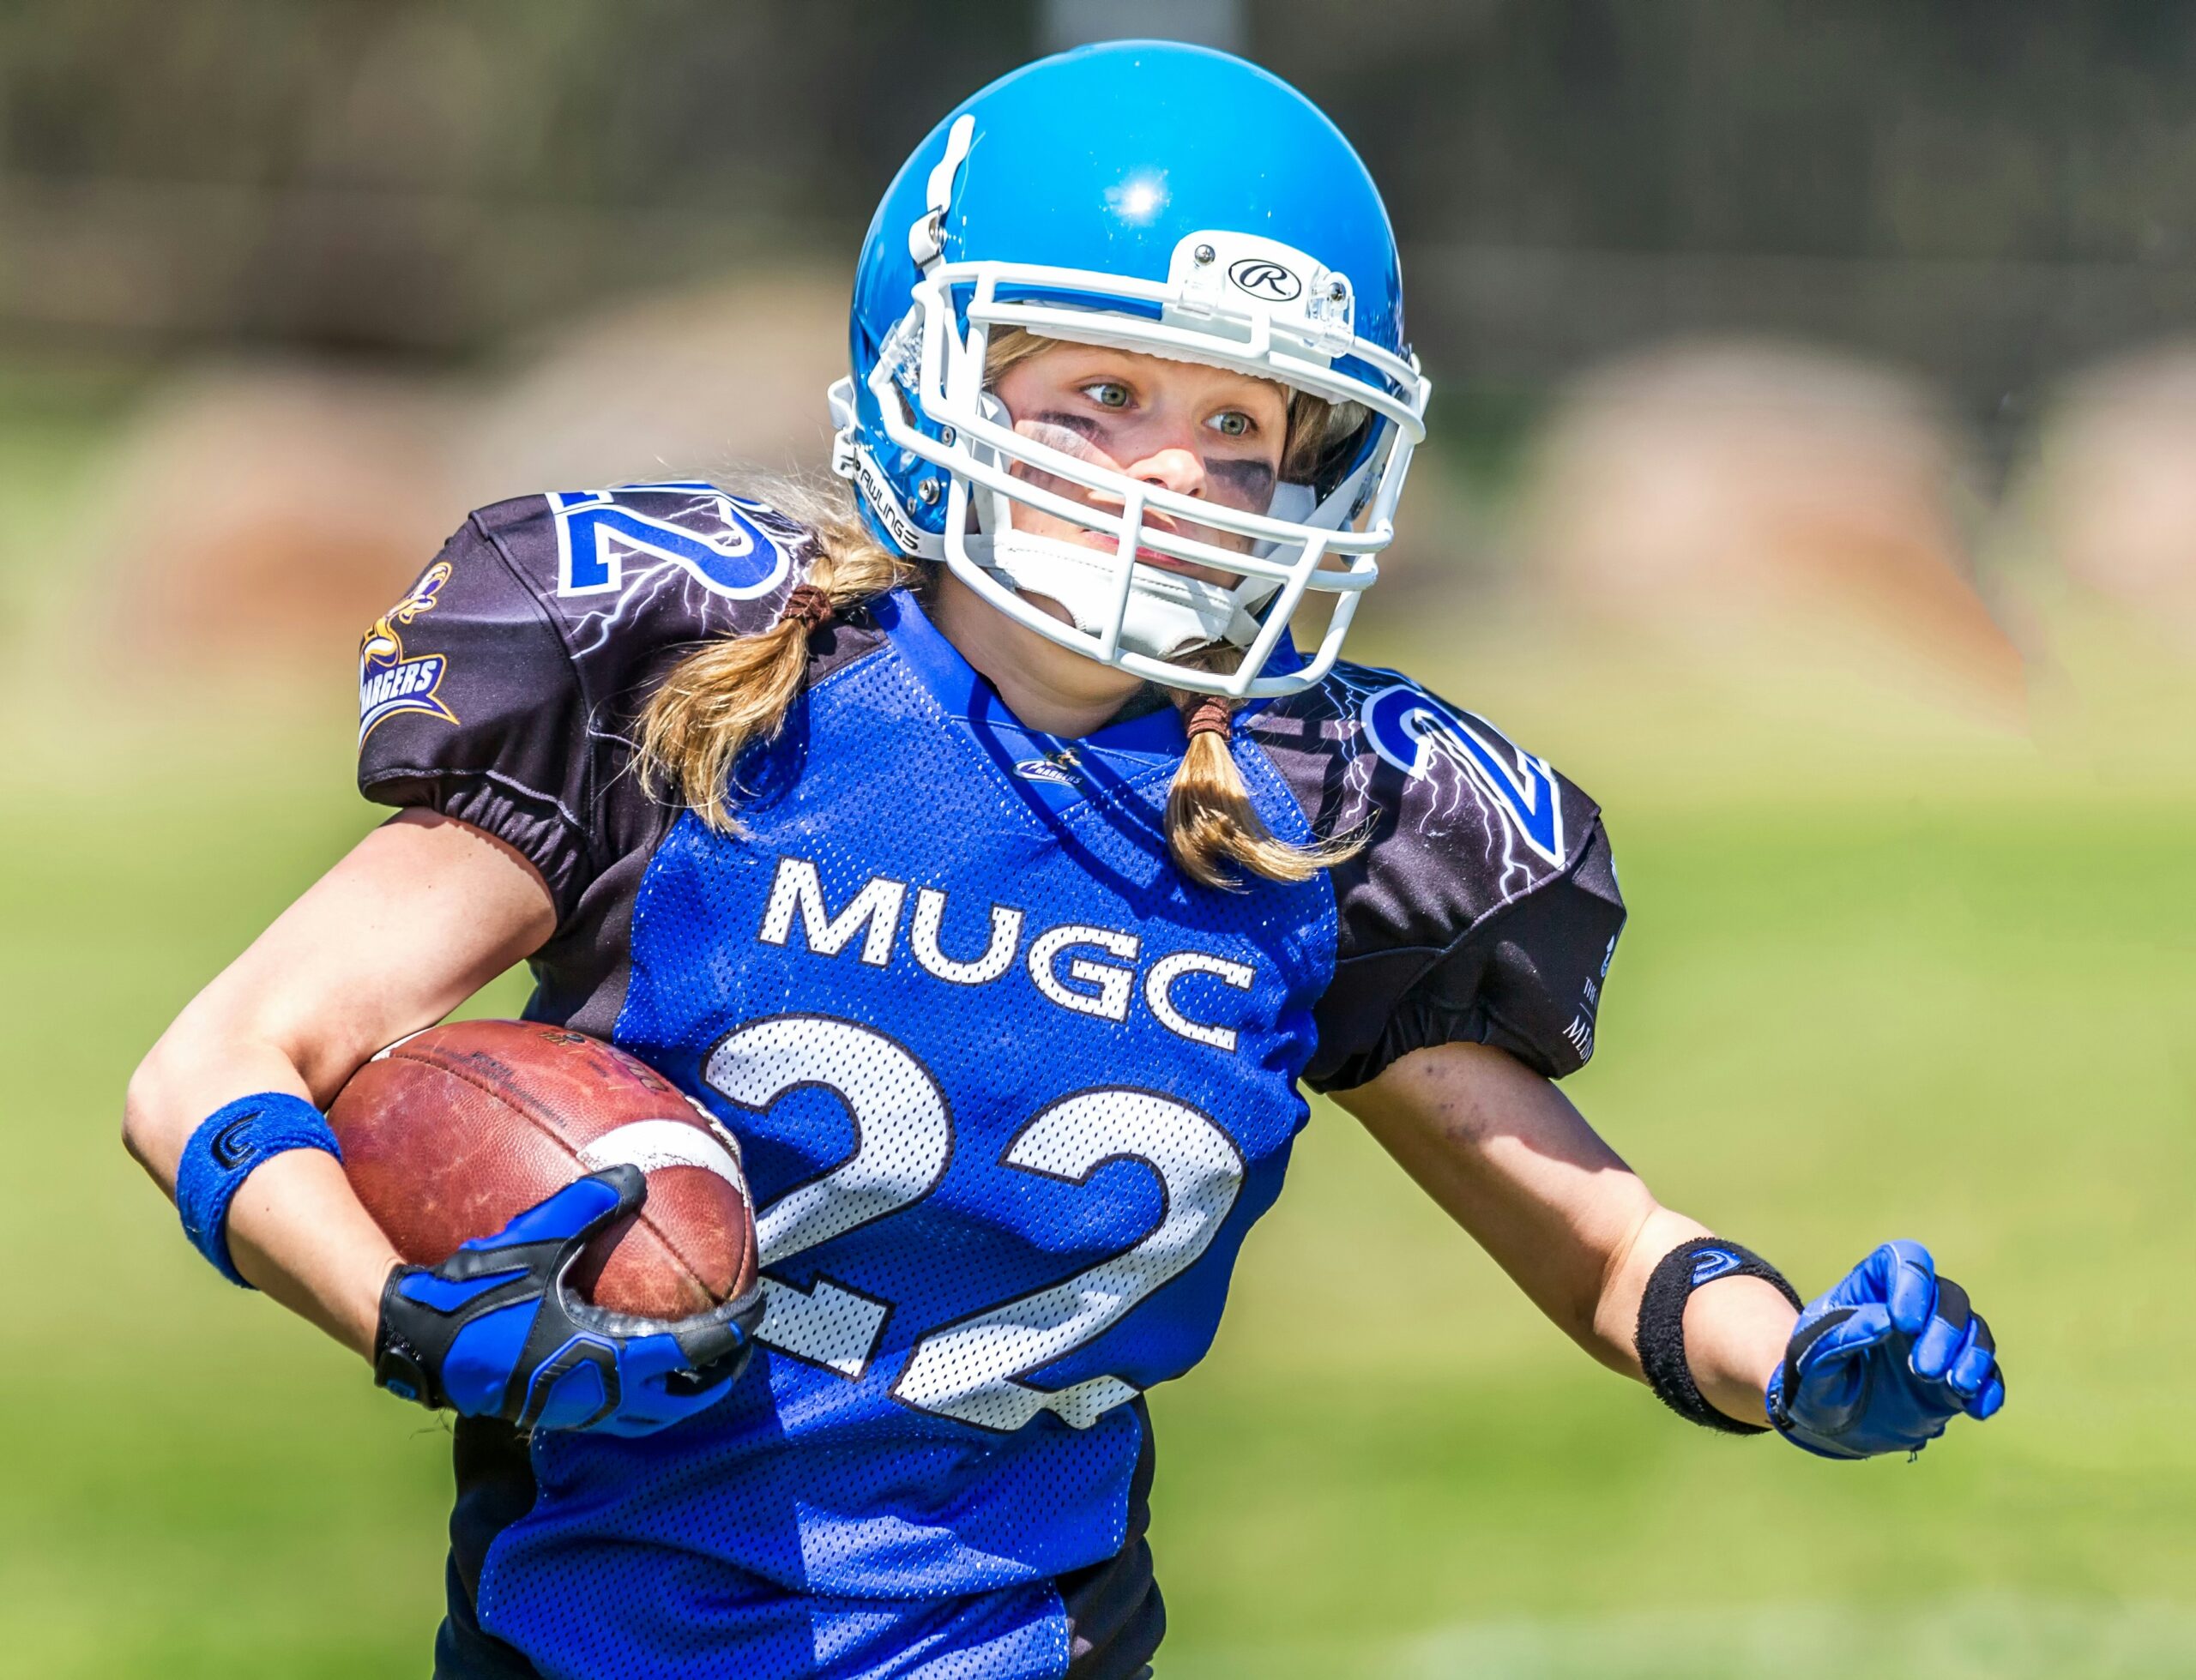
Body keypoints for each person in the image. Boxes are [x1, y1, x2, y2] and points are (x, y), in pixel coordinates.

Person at [122, 39, 2005, 1680]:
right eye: (1099, 392)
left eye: (1236, 424)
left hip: (1026, 1636)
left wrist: (1799, 1355)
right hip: (590, 1630)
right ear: (934, 372)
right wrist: (409, 1317)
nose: (1171, 471)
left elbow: (1603, 1243)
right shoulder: (701, 685)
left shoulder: (1325, 818)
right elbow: (214, 1066)